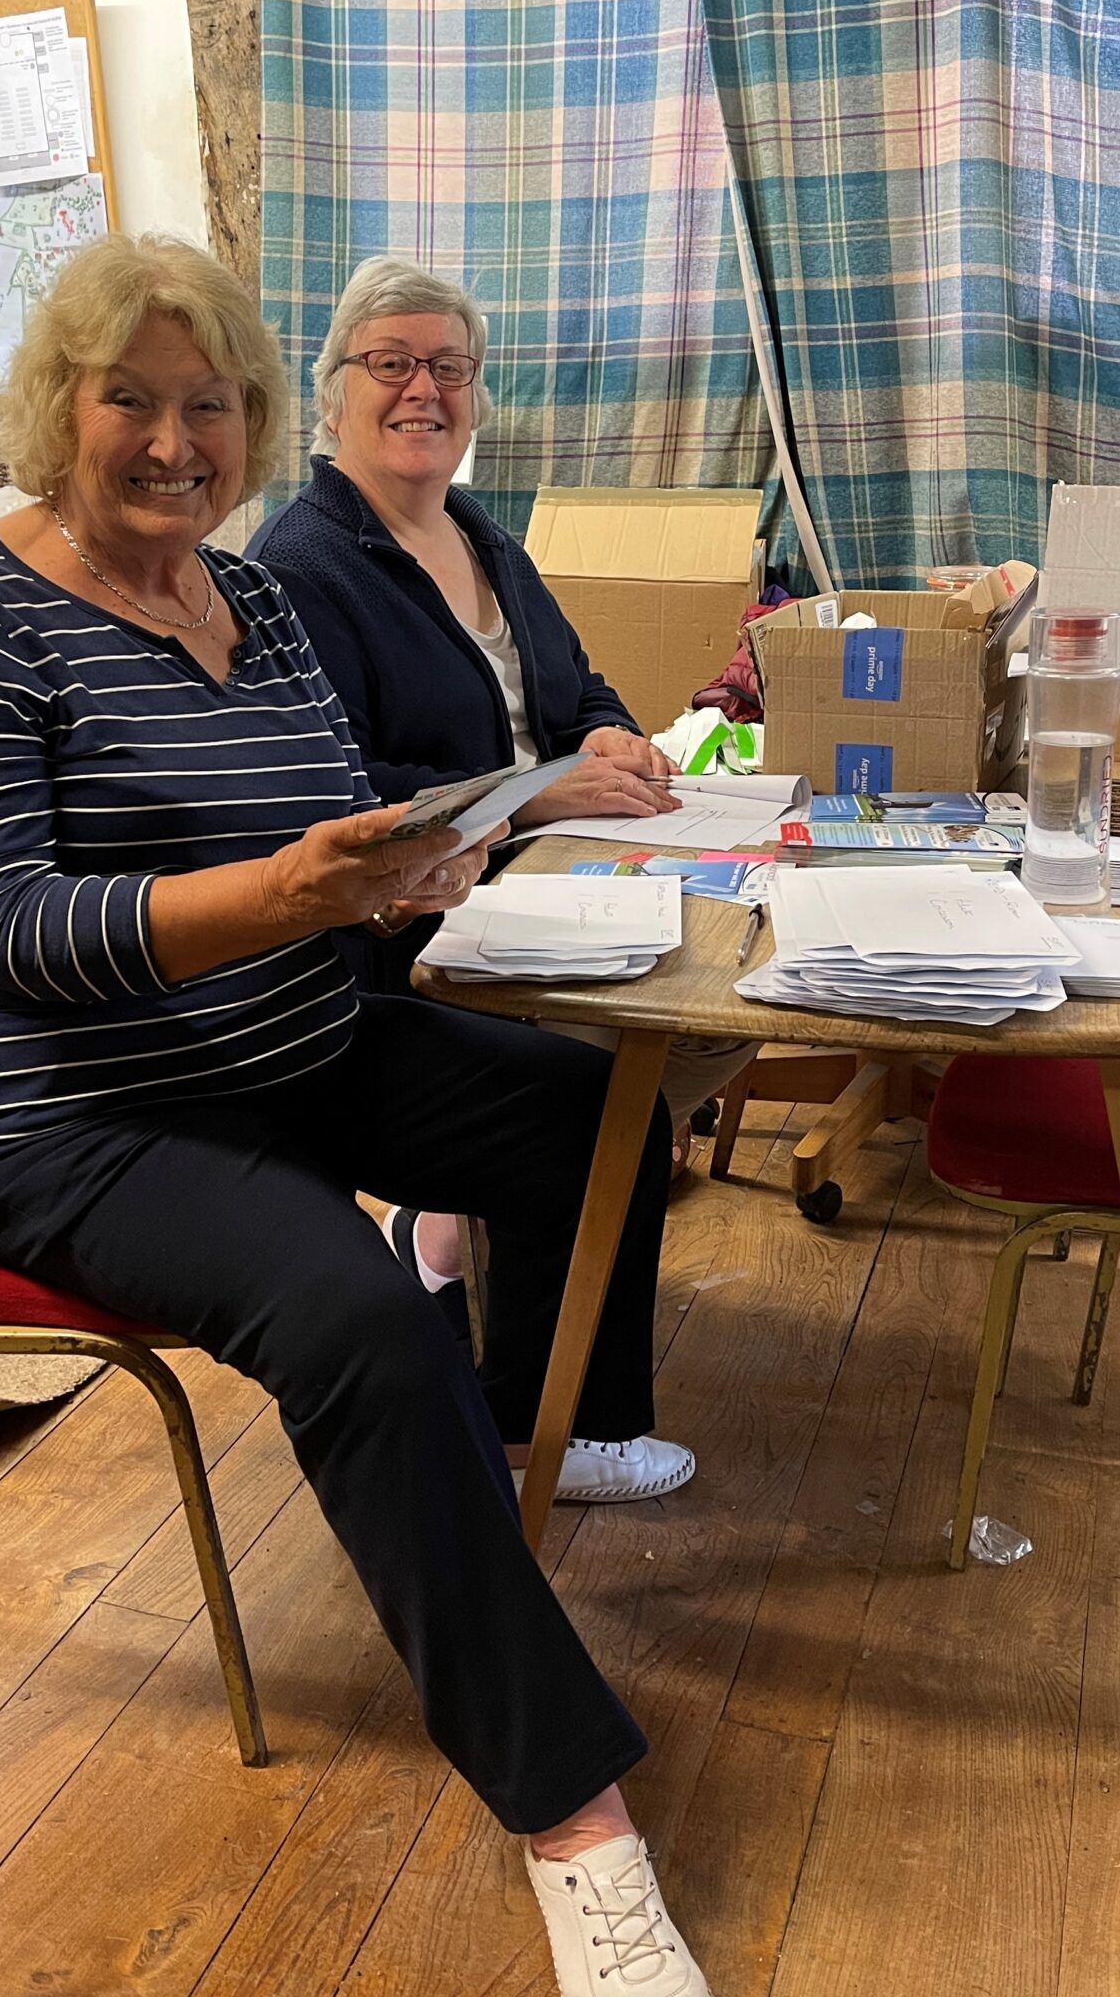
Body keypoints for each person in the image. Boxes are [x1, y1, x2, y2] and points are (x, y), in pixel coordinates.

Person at [0, 233, 724, 1997]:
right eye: (133, 402)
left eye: (209, 406)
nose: (175, 441)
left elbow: (337, 845)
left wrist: (421, 868)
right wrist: (299, 891)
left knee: (603, 1104)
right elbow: (8, 923)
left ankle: (511, 1444)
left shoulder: (248, 595)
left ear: (254, 423)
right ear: (55, 413)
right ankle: (572, 1824)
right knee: (349, 1306)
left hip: (291, 1042)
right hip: (66, 1119)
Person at [248, 254, 756, 1274]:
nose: (423, 389)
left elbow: (582, 687)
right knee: (621, 1062)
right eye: (390, 362)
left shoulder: (484, 536)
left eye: (450, 366)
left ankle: (456, 1227)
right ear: (331, 391)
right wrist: (528, 803)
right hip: (427, 911)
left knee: (739, 982)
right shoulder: (296, 565)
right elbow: (334, 794)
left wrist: (609, 734)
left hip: (561, 867)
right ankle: (505, 1218)